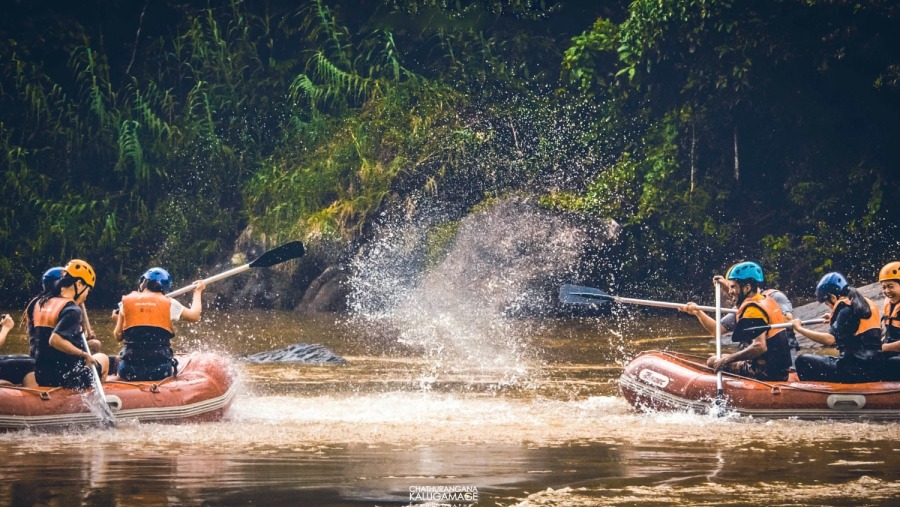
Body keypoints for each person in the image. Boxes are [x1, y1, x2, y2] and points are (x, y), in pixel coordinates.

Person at [680, 261, 793, 381]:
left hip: (765, 372)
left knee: (712, 360)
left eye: (733, 287)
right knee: (724, 356)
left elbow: (760, 347)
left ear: (747, 288)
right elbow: (716, 330)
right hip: (780, 370)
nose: (729, 291)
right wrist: (698, 312)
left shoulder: (752, 310)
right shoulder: (766, 301)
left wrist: (726, 360)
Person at [28, 259, 110, 389]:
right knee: (103, 358)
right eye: (88, 288)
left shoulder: (39, 303)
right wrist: (84, 354)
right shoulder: (72, 310)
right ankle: (91, 396)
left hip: (42, 375)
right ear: (79, 283)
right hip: (67, 377)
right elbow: (55, 340)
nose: (87, 294)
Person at [113, 268, 205, 381]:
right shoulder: (170, 303)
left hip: (129, 369)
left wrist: (118, 318)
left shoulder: (125, 303)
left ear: (143, 283)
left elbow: (118, 336)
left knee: (118, 361)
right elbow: (195, 315)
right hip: (160, 370)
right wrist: (198, 291)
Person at [792, 272, 883, 383]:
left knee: (802, 360)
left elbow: (829, 339)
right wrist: (833, 317)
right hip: (874, 367)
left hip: (853, 370)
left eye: (827, 303)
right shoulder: (863, 303)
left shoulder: (846, 310)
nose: (829, 306)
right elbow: (853, 324)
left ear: (833, 297)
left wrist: (799, 329)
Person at [878, 262, 900, 381]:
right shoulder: (890, 304)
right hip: (892, 350)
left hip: (895, 353)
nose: (887, 291)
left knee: (892, 363)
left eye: (891, 286)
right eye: (884, 287)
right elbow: (889, 334)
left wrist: (882, 348)